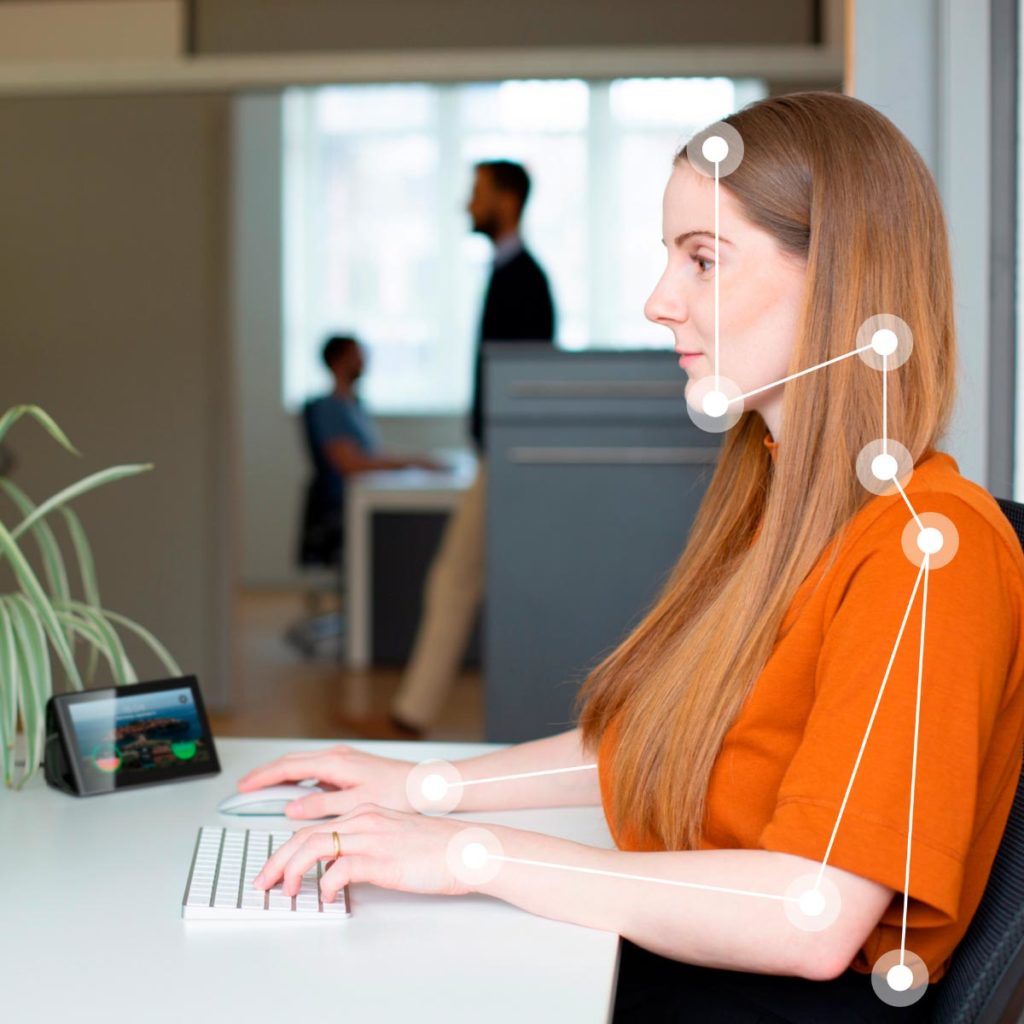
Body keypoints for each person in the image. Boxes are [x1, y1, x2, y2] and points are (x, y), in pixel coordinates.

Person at [238, 92, 1024, 1021]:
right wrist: (421, 786)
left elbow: (814, 919)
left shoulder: (928, 553)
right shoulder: (778, 509)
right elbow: (661, 747)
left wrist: (468, 855)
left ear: (839, 282)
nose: (659, 302)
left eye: (703, 259)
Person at [344, 160, 556, 738]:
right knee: (460, 581)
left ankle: (411, 717)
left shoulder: (526, 280)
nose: (468, 205)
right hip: (498, 458)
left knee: (454, 580)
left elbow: (525, 379)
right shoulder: (507, 272)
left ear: (506, 201)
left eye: (477, 194)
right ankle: (412, 716)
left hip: (507, 463)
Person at [299, 334, 436, 567]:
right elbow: (350, 464)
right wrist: (407, 463)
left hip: (368, 495)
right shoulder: (329, 408)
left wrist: (410, 462)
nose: (363, 361)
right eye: (356, 355)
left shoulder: (355, 405)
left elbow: (371, 456)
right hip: (348, 503)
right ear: (338, 361)